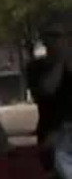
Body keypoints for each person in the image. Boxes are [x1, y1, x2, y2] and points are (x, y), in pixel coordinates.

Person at [26, 13, 72, 150]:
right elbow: (46, 91)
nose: (59, 41)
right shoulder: (36, 67)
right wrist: (60, 61)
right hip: (52, 135)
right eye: (53, 36)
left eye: (66, 35)